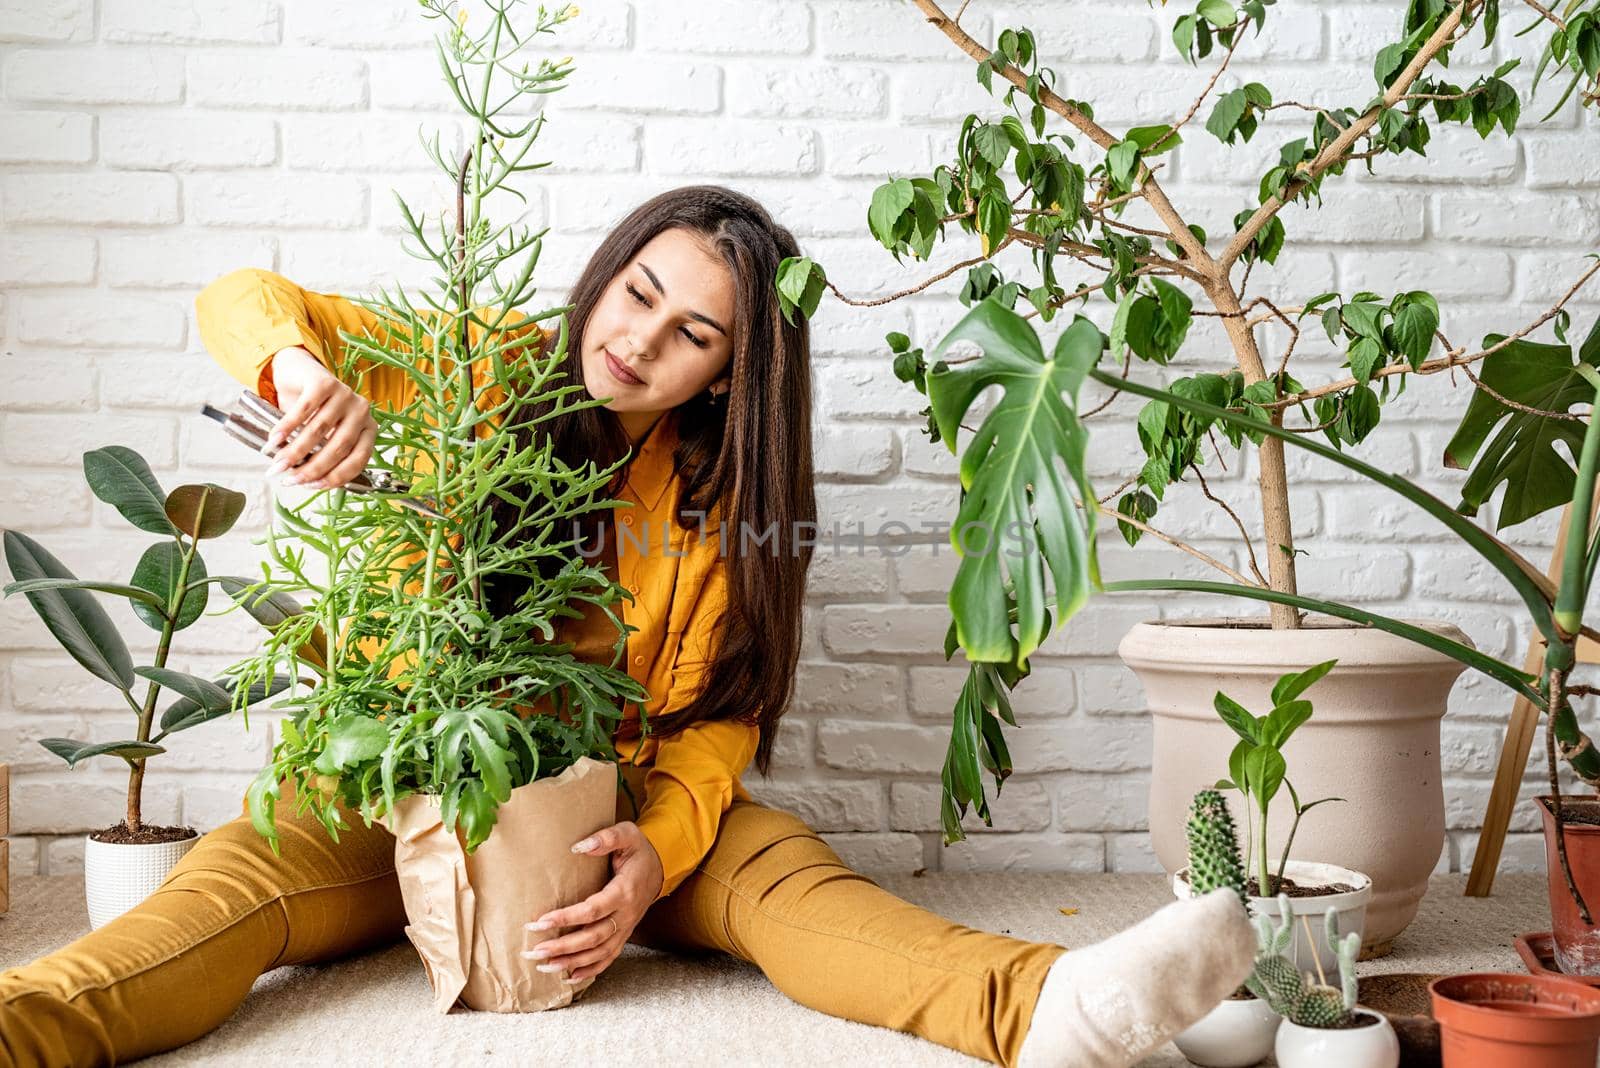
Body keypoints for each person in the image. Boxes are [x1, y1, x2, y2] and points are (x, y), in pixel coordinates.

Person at [0, 185, 1253, 1068]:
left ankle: (1042, 1008)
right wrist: (300, 373)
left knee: (782, 874)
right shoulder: (473, 360)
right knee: (227, 894)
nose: (637, 341)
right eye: (638, 293)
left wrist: (654, 852)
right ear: (606, 271)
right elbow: (246, 296)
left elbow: (718, 723)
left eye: (690, 333)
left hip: (609, 821)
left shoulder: (718, 506)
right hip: (396, 794)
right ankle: (25, 1023)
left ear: (728, 371)